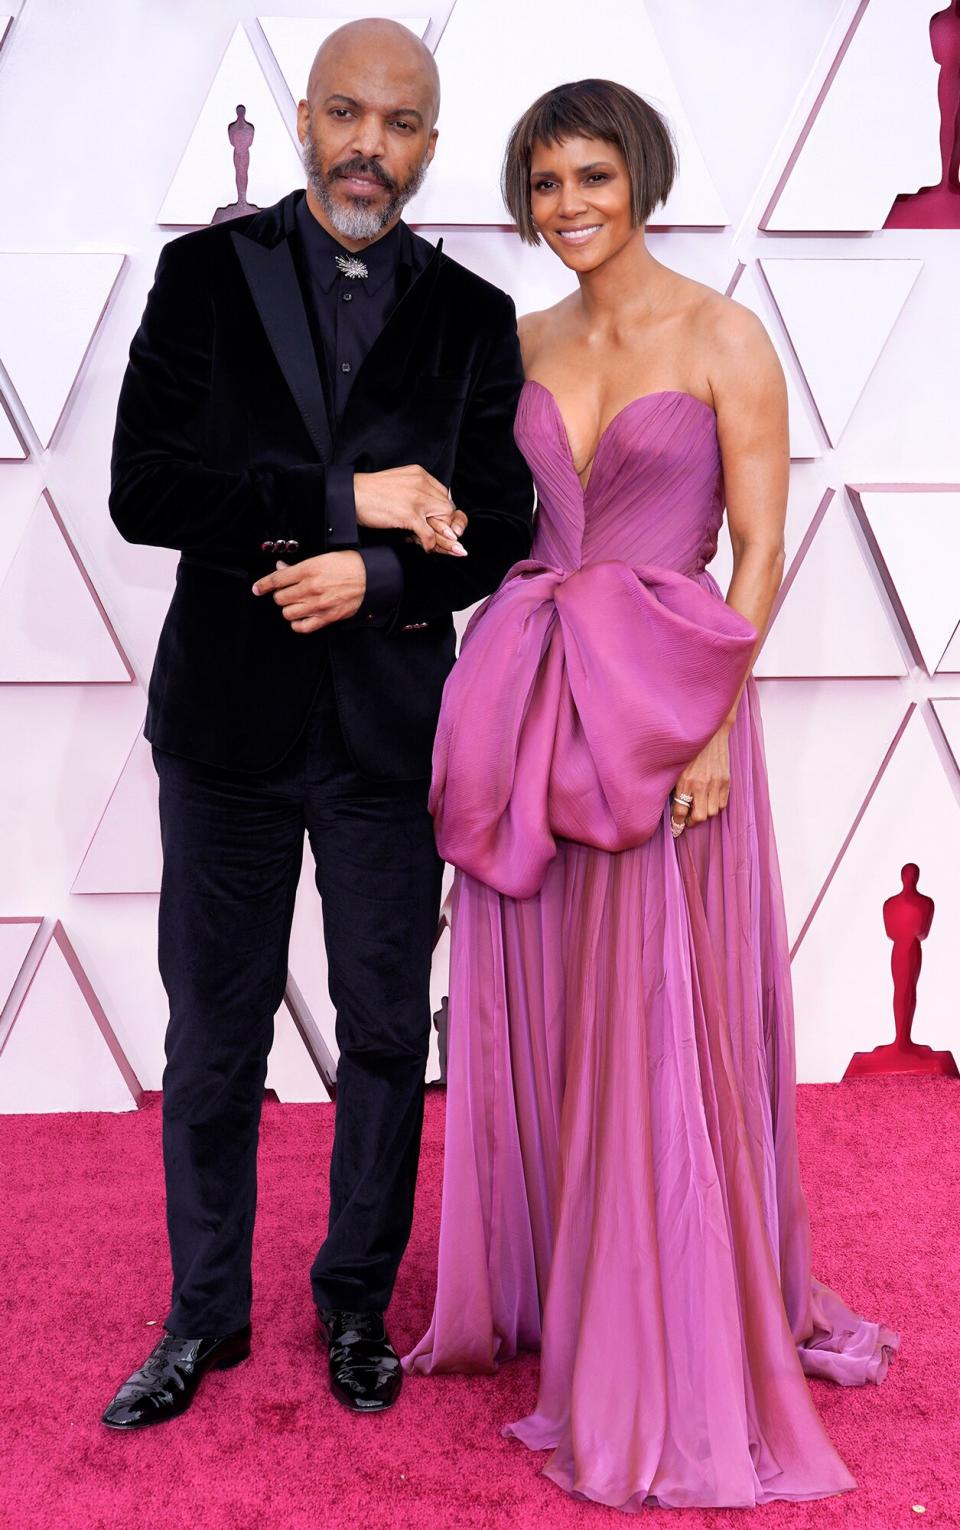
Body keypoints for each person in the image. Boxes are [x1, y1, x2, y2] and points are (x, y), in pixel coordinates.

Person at [404, 79, 899, 1510]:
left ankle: (667, 1299)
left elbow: (758, 548)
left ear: (644, 178)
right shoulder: (520, 341)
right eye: (545, 183)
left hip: (667, 721)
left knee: (656, 1018)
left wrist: (713, 726)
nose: (568, 207)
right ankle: (574, 1274)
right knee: (557, 998)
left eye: (592, 177)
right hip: (540, 704)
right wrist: (436, 515)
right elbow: (499, 514)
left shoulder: (726, 333)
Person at [100, 19, 533, 1430]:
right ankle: (202, 1313)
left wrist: (380, 571)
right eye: (345, 113)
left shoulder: (472, 315)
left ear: (429, 142)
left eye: (399, 123)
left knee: (385, 1036)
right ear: (301, 120)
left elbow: (504, 522)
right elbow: (146, 490)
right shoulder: (201, 274)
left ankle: (355, 1300)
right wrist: (343, 505)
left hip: (387, 730)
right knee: (214, 1031)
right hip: (224, 724)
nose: (369, 145)